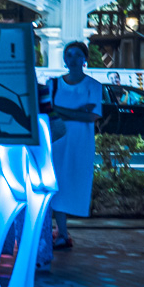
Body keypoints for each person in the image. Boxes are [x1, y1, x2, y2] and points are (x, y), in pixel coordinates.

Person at [48, 41, 103, 249]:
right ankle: (61, 233)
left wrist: (61, 111)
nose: (72, 59)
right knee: (56, 184)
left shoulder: (94, 86)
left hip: (80, 143)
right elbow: (47, 110)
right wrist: (78, 112)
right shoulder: (53, 84)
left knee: (73, 182)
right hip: (57, 141)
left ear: (85, 58)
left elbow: (92, 116)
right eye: (69, 55)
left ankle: (62, 233)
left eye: (77, 55)